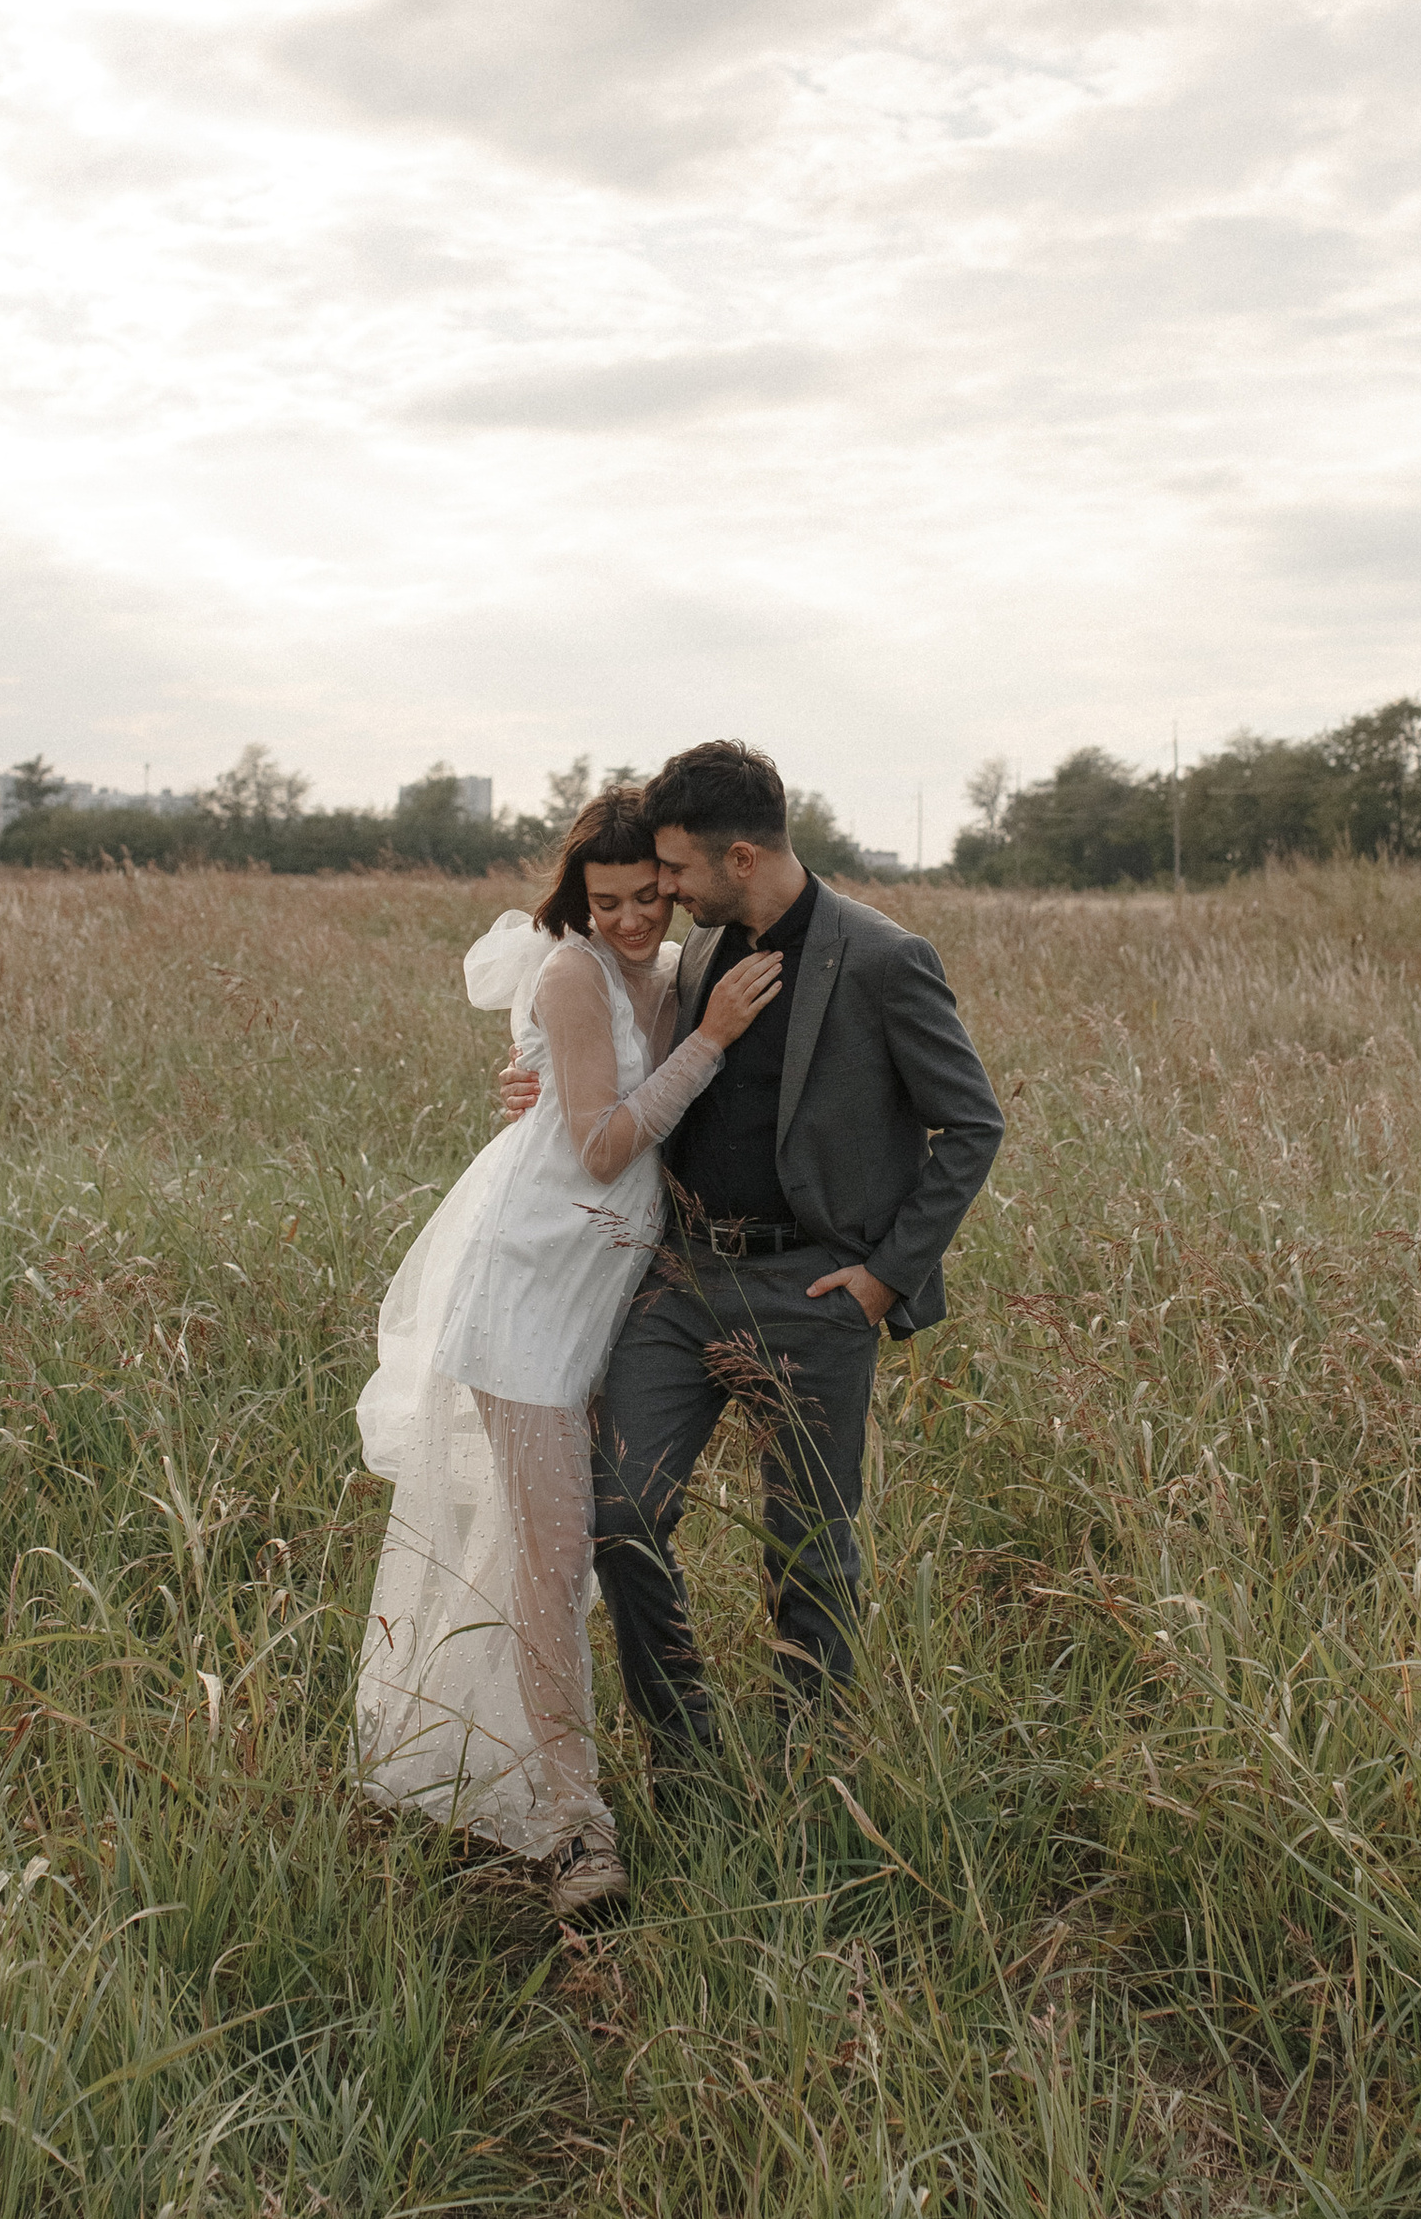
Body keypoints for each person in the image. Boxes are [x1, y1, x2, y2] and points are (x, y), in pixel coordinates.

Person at [353, 787, 781, 1912]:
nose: (633, 920)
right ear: (574, 899)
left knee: (555, 1553)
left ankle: (507, 1752)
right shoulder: (574, 972)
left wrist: (675, 1037)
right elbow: (598, 1149)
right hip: (528, 1296)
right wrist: (711, 1042)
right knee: (554, 1559)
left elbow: (588, 1107)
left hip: (605, 1295)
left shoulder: (675, 966)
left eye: (649, 896)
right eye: (606, 901)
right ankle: (571, 1830)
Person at [583, 738, 1004, 1787]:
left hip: (816, 1290)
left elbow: (972, 1124)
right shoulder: (698, 957)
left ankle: (813, 1770)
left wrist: (881, 1278)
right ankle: (685, 1759)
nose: (663, 891)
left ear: (737, 857)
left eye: (675, 870)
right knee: (620, 1514)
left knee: (807, 1548)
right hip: (680, 1283)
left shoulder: (880, 957)